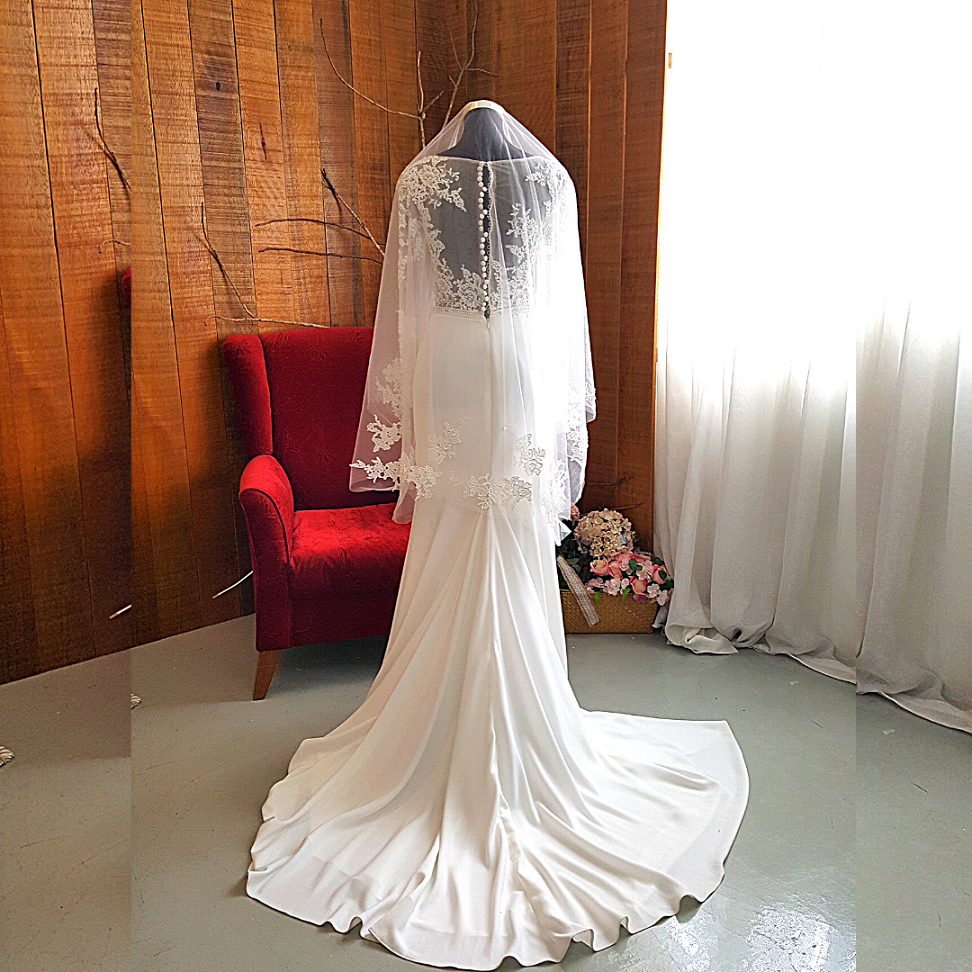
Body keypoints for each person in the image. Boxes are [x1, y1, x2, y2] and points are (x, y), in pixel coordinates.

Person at [245, 101, 749, 970]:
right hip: (516, 357)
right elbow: (561, 312)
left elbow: (406, 312)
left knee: (457, 523)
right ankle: (511, 720)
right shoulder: (548, 182)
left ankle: (444, 726)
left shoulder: (420, 181)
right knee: (500, 524)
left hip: (448, 358)